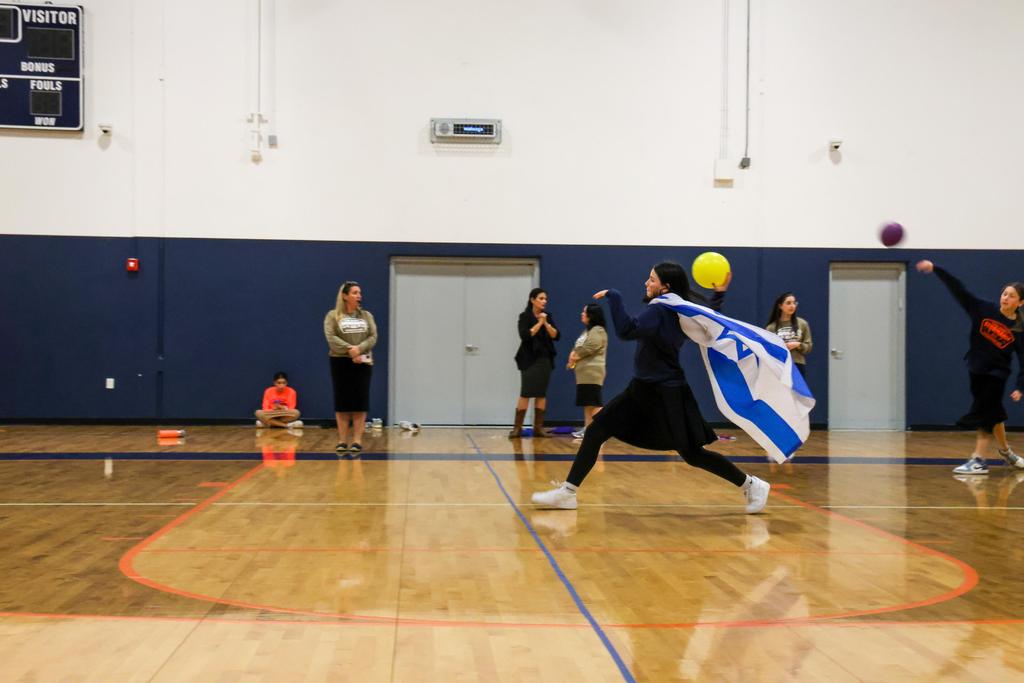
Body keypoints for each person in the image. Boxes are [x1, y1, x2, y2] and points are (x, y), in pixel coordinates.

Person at [532, 261, 770, 513]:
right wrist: (719, 294)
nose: (646, 283)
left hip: (667, 392)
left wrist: (615, 296)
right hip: (643, 388)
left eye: (652, 279)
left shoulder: (661, 309)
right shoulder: (677, 309)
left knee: (692, 453)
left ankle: (752, 485)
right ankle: (568, 492)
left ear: (665, 287)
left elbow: (627, 330)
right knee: (596, 431)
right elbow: (708, 315)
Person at [916, 260, 1024, 474]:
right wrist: (937, 269)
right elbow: (959, 289)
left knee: (985, 413)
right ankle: (1006, 453)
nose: (1005, 297)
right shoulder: (984, 309)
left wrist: (1021, 387)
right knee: (994, 413)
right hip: (976, 369)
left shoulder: (1019, 329)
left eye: (1012, 296)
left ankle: (979, 460)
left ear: (1020, 302)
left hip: (997, 375)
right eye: (1004, 293)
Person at [324, 281, 378, 454]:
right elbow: (331, 337)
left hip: (362, 362)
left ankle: (357, 441)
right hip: (340, 362)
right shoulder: (333, 316)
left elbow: (373, 336)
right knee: (342, 402)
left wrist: (359, 349)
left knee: (359, 401)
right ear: (345, 296)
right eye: (355, 292)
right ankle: (342, 440)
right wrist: (349, 350)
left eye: (359, 292)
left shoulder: (366, 315)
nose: (359, 295)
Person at [510, 288, 560, 438]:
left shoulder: (548, 316)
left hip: (545, 359)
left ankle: (538, 428)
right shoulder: (524, 316)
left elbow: (556, 335)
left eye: (545, 299)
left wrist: (546, 323)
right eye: (541, 298)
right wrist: (539, 323)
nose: (544, 301)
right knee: (526, 393)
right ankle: (517, 428)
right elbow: (525, 335)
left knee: (541, 393)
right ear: (532, 300)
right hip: (529, 359)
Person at [568, 303, 608, 439]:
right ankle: (588, 429)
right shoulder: (587, 331)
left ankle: (601, 430)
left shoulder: (598, 330)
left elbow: (592, 346)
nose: (582, 314)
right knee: (588, 403)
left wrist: (575, 356)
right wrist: (572, 355)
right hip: (584, 374)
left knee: (594, 403)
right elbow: (579, 346)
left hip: (592, 373)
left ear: (592, 315)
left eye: (584, 312)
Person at [765, 292, 813, 378]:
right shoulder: (771, 327)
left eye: (794, 303)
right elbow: (768, 349)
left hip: (797, 364)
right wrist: (782, 347)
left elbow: (808, 347)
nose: (792, 306)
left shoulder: (802, 324)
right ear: (780, 306)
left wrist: (798, 345)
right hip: (779, 364)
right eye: (788, 303)